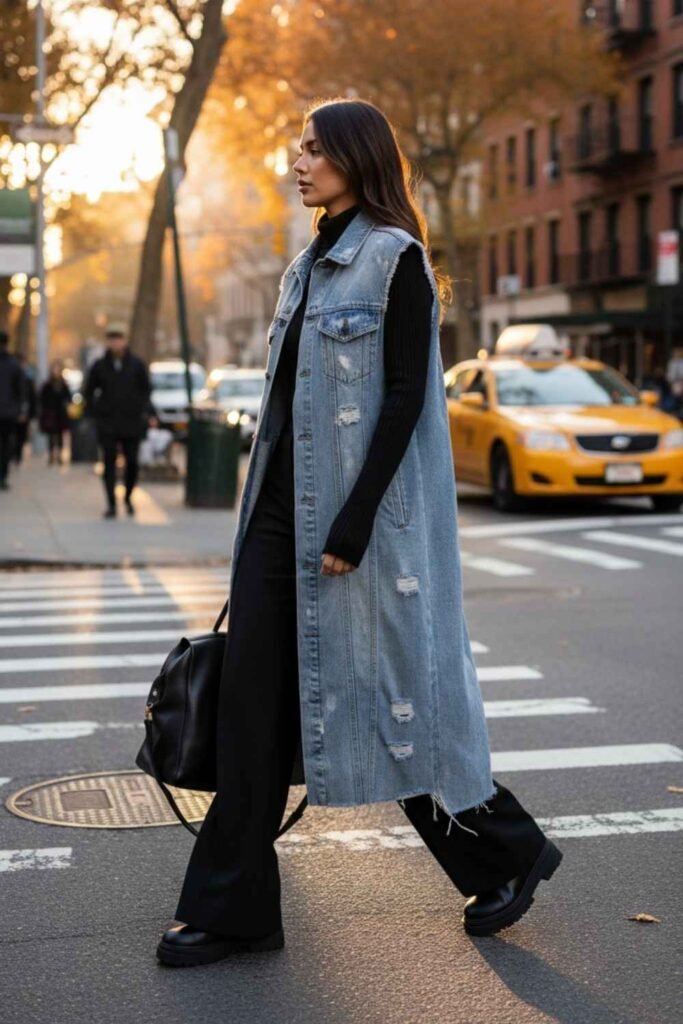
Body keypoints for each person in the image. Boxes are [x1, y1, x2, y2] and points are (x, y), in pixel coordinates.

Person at [155, 99, 563, 969]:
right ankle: (234, 910)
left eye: (313, 149)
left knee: (388, 695)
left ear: (354, 156)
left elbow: (406, 398)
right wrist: (257, 536)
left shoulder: (393, 260)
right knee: (251, 711)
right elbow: (281, 416)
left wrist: (354, 518)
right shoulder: (303, 268)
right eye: (297, 148)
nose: (297, 162)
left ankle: (504, 852)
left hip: (354, 528)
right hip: (275, 521)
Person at [84, 326, 155, 517]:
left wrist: (147, 412)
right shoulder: (100, 365)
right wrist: (94, 413)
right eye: (112, 339)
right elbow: (89, 391)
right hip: (108, 423)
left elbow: (146, 390)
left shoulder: (136, 364)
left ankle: (128, 497)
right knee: (109, 463)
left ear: (124, 341)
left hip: (131, 422)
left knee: (132, 462)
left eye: (118, 339)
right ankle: (111, 503)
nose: (115, 343)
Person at [0, 331, 24, 491]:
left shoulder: (13, 365)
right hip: (8, 413)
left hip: (8, 411)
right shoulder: (14, 364)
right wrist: (20, 410)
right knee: (5, 444)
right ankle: (3, 476)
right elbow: (20, 390)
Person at [38, 361, 72, 465]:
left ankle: (60, 455)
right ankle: (51, 455)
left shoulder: (64, 384)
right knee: (51, 436)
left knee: (60, 436)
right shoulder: (47, 385)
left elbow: (68, 397)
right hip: (50, 413)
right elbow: (42, 398)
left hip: (61, 414)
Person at [12, 353, 36, 465]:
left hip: (20, 412)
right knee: (14, 435)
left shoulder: (27, 379)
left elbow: (31, 397)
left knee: (20, 435)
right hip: (14, 411)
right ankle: (14, 455)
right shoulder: (18, 377)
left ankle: (17, 455)